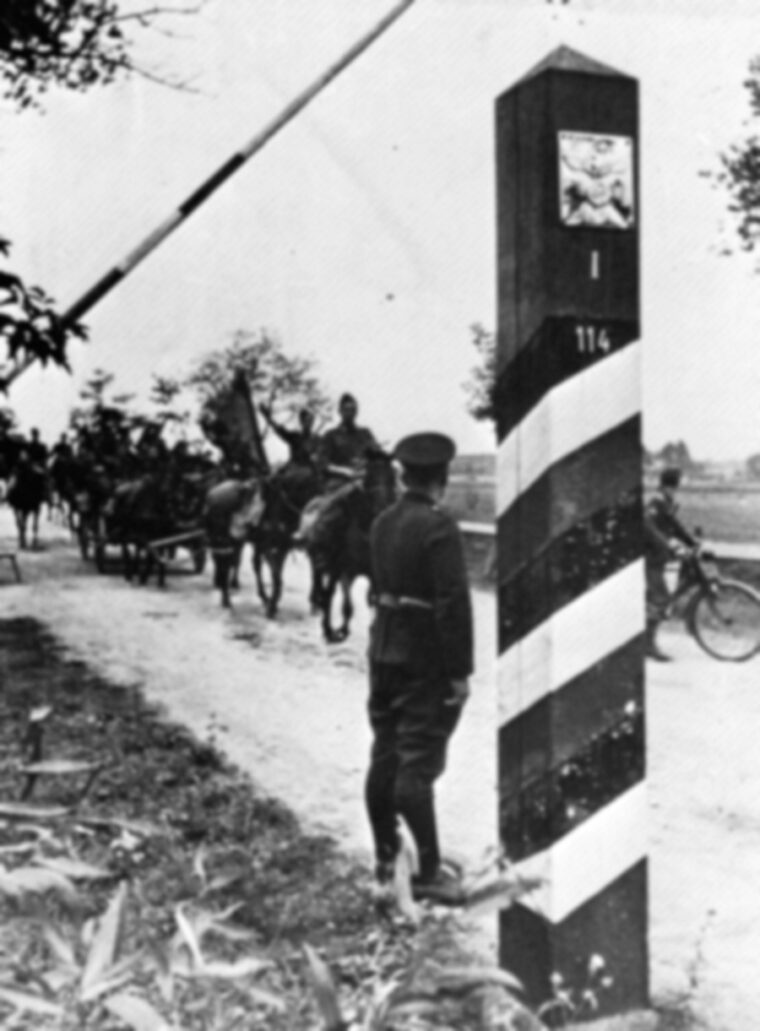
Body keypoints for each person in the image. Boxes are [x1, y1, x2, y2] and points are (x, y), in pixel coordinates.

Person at [365, 431, 473, 906]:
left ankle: (387, 856)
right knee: (417, 767)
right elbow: (452, 604)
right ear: (442, 478)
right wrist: (459, 672)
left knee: (385, 754)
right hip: (423, 659)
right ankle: (428, 872)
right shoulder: (439, 526)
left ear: (405, 475)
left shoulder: (383, 521)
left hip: (383, 650)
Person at [644, 466, 697, 661]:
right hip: (649, 557)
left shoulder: (666, 503)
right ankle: (648, 645)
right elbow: (648, 528)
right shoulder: (654, 503)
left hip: (659, 556)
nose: (675, 491)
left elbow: (675, 526)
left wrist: (692, 542)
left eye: (676, 487)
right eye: (672, 487)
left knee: (658, 596)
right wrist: (668, 544)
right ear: (664, 486)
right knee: (660, 598)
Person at [319, 393, 378, 476]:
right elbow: (323, 463)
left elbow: (377, 455)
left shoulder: (365, 433)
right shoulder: (331, 435)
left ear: (356, 411)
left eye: (353, 410)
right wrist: (343, 471)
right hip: (339, 480)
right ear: (340, 411)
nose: (350, 413)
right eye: (346, 410)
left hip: (364, 477)